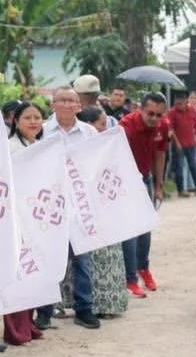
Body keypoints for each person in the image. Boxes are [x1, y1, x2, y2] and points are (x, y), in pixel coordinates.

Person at [42, 87, 102, 330]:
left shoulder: (89, 132)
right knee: (49, 260)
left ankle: (84, 308)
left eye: (71, 101)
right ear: (53, 105)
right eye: (62, 100)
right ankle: (45, 311)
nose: (67, 105)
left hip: (80, 207)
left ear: (79, 106)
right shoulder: (43, 131)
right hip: (49, 207)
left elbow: (97, 164)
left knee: (83, 260)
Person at [73, 106, 130, 319]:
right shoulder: (86, 147)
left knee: (105, 259)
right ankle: (92, 304)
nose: (104, 128)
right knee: (90, 262)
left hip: (103, 211)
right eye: (102, 124)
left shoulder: (102, 147)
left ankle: (107, 304)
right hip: (86, 212)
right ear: (89, 125)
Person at [3, 101, 48, 346]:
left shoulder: (42, 147)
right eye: (27, 117)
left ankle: (28, 323)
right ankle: (14, 329)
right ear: (16, 122)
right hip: (16, 217)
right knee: (17, 274)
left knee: (33, 272)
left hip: (37, 217)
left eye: (37, 117)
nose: (33, 122)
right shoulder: (9, 148)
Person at [119, 92, 170, 297]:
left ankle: (143, 267)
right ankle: (130, 279)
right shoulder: (126, 126)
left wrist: (159, 185)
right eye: (151, 113)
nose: (155, 119)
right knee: (130, 230)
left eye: (159, 114)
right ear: (140, 109)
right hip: (127, 182)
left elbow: (160, 154)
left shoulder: (163, 126)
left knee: (146, 226)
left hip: (146, 178)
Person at [168, 91, 196, 196]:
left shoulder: (192, 110)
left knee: (193, 166)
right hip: (179, 145)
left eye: (180, 104)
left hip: (191, 144)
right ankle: (181, 190)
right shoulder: (172, 113)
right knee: (179, 168)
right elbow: (171, 129)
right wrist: (177, 143)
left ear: (185, 102)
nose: (178, 106)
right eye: (176, 104)